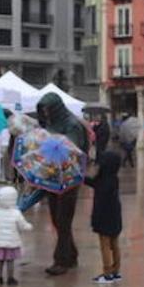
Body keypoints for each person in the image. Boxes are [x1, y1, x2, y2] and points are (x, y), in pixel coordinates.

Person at [38, 92, 89, 276]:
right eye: (43, 109)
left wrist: (53, 142)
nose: (46, 112)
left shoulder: (72, 124)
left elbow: (72, 149)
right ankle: (71, 254)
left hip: (69, 178)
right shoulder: (51, 123)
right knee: (56, 219)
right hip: (52, 176)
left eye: (48, 109)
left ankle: (61, 261)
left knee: (63, 219)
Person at [86, 149, 123, 283]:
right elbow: (93, 183)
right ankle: (116, 271)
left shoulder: (103, 180)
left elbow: (95, 184)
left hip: (104, 217)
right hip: (115, 216)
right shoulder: (113, 179)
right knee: (115, 244)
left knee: (105, 244)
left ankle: (107, 272)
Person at [0, 186, 31, 285]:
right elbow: (22, 225)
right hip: (12, 242)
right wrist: (28, 226)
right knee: (10, 261)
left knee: (0, 261)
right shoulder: (16, 213)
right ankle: (10, 278)